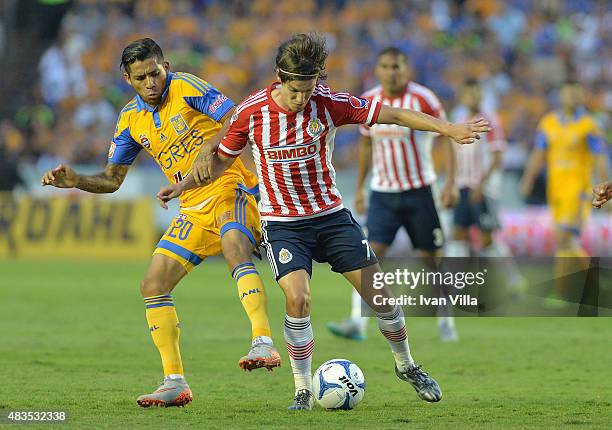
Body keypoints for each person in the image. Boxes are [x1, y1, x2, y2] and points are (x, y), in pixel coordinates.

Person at [158, 33, 489, 410]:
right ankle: (302, 389)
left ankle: (407, 365)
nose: (302, 99)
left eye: (309, 89)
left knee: (380, 298)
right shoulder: (251, 112)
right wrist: (183, 185)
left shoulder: (329, 103)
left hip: (331, 218)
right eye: (296, 91)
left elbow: (391, 114)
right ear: (280, 80)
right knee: (298, 299)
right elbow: (222, 158)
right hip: (283, 223)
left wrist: (448, 129)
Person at [40, 38, 280, 408]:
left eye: (156, 72)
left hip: (232, 186)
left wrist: (207, 147)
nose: (152, 82)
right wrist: (77, 181)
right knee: (153, 283)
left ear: (165, 66)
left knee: (234, 246)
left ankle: (263, 341)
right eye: (142, 77)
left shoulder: (186, 86)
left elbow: (237, 117)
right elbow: (112, 179)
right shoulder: (130, 119)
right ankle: (174, 382)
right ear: (128, 79)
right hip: (192, 206)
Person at [325, 47, 459, 343]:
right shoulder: (369, 101)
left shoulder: (423, 98)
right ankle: (357, 322)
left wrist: (450, 184)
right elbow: (366, 146)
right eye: (386, 66)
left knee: (432, 259)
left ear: (406, 69)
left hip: (419, 190)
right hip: (383, 193)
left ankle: (446, 320)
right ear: (377, 70)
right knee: (369, 256)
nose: (392, 72)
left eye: (397, 66)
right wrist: (360, 188)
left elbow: (446, 137)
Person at [520, 80, 608, 303]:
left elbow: (599, 158)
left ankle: (563, 292)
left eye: (575, 94)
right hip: (556, 192)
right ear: (560, 96)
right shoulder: (548, 123)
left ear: (580, 96)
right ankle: (594, 285)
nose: (571, 97)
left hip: (579, 191)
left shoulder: (589, 126)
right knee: (566, 243)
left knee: (564, 240)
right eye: (567, 93)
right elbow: (538, 153)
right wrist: (528, 178)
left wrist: (605, 187)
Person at [446, 78, 524, 293]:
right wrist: (451, 183)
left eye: (475, 93)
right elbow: (453, 153)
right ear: (462, 96)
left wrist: (481, 185)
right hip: (462, 186)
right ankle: (455, 285)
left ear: (481, 95)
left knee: (487, 238)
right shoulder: (459, 120)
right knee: (458, 233)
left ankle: (512, 279)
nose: (472, 97)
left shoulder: (489, 120)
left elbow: (498, 156)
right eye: (468, 93)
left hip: (483, 189)